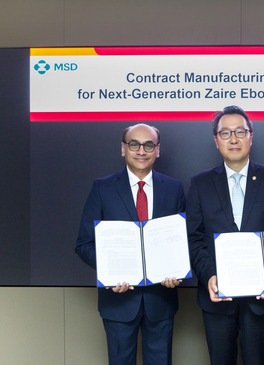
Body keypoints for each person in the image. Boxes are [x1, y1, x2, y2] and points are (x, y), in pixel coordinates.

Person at [75, 123, 185, 365]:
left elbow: (182, 242)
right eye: (134, 144)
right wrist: (110, 273)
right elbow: (84, 244)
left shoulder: (175, 189)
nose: (141, 151)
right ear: (123, 149)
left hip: (161, 299)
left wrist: (177, 272)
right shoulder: (102, 188)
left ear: (158, 150)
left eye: (149, 145)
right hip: (118, 301)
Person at [186, 105, 264, 365]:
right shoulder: (200, 183)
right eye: (225, 133)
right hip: (218, 297)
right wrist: (209, 274)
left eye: (240, 131)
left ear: (251, 136)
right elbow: (194, 237)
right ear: (216, 140)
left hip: (262, 299)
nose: (233, 139)